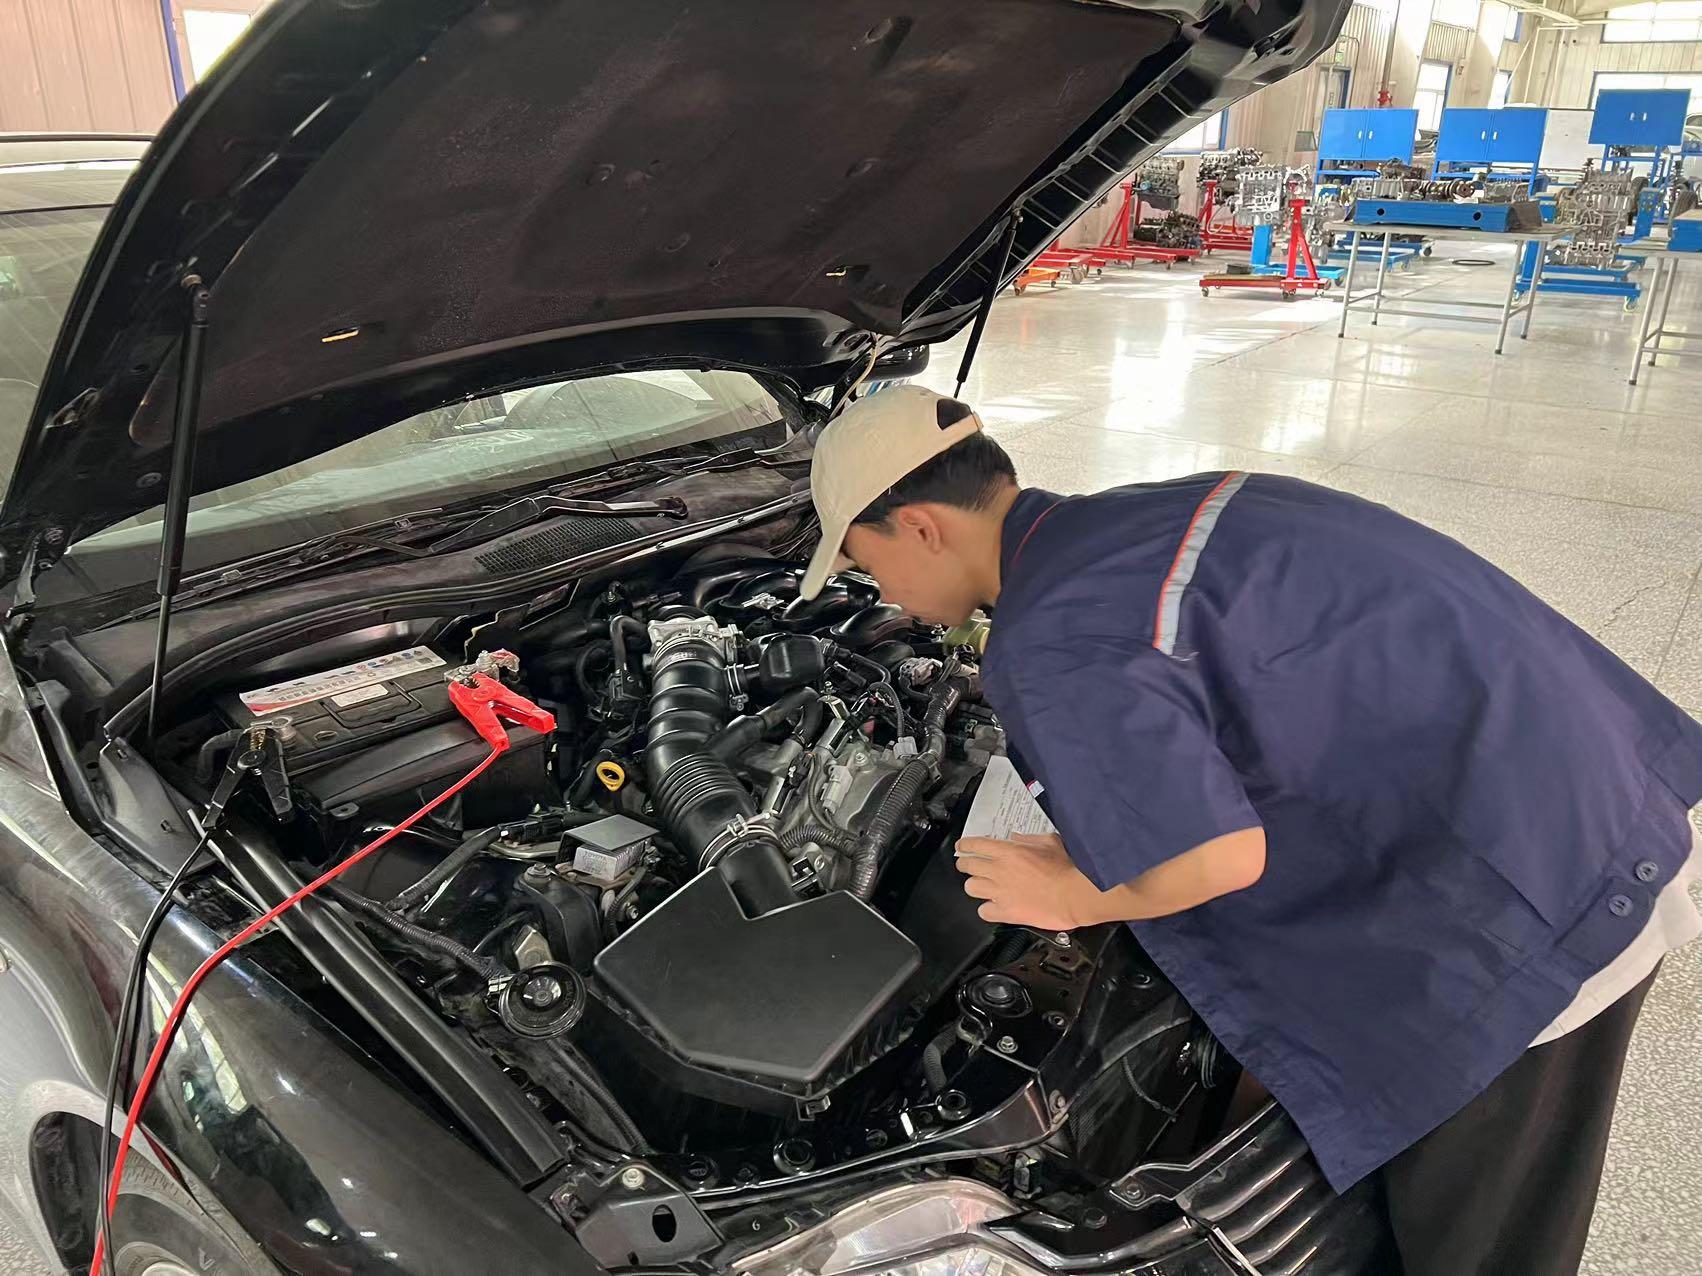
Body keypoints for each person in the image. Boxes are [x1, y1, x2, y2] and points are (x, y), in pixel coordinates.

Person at [798, 383, 1702, 1276]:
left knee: (1481, 1244)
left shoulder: (1049, 636)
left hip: (1533, 913)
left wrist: (1074, 891)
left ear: (921, 526)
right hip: (1565, 790)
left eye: (867, 566)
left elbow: (1221, 855)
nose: (884, 596)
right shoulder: (1153, 511)